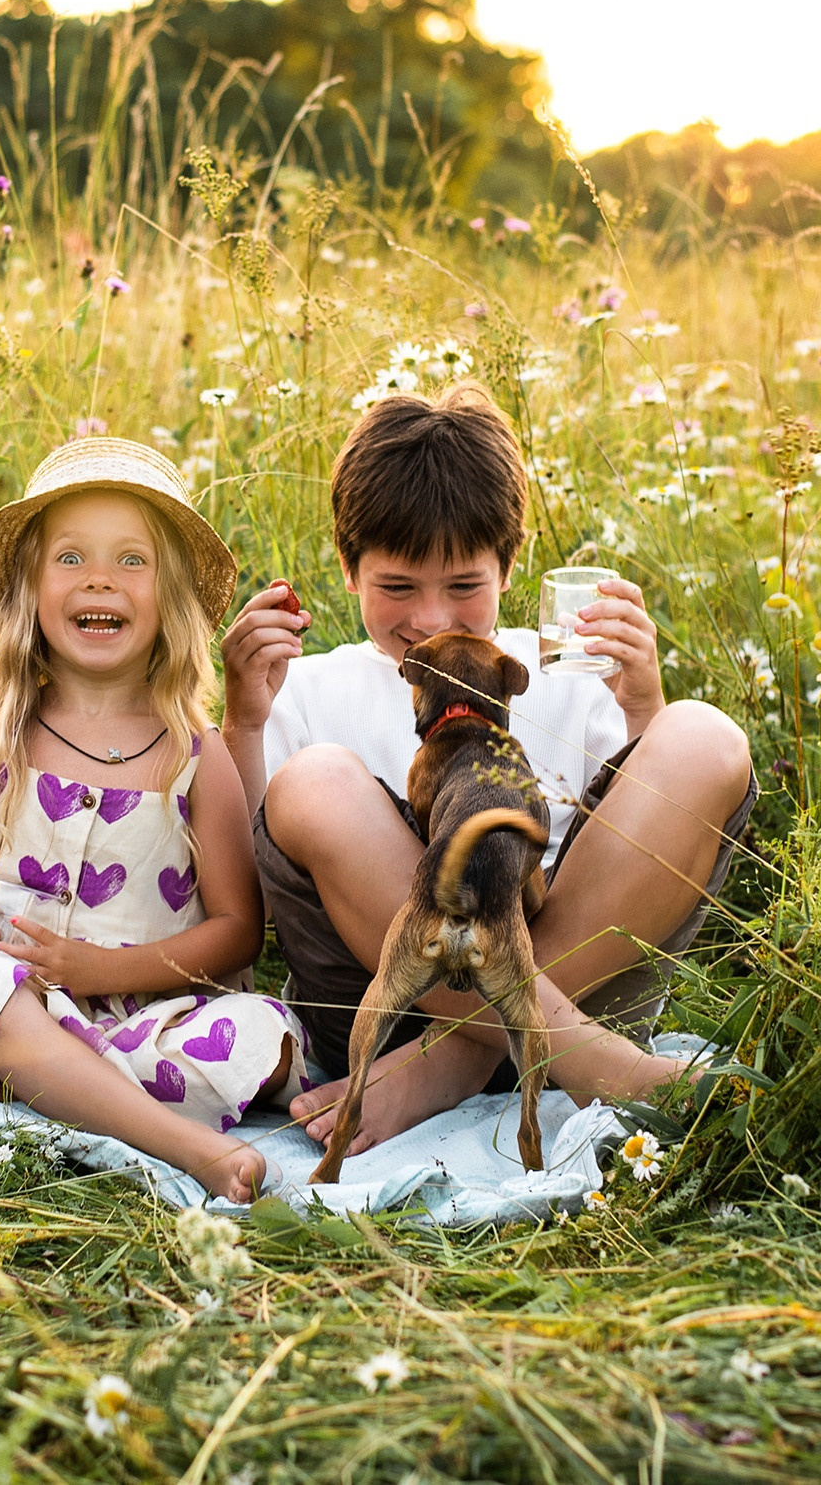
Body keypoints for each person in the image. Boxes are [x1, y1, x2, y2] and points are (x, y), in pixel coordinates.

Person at [220, 381, 758, 1162]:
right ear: (348, 568)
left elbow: (640, 849)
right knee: (314, 781)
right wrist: (244, 721)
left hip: (581, 987)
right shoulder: (306, 688)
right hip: (390, 1003)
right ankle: (584, 1059)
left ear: (508, 566)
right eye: (398, 587)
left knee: (706, 737)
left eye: (464, 586)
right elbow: (240, 886)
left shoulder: (565, 669)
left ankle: (460, 1056)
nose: (432, 618)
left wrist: (644, 704)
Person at [0, 438, 306, 1202]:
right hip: (19, 1003)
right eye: (70, 557)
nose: (99, 577)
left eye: (131, 560)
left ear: (170, 598)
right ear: (31, 591)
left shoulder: (193, 755)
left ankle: (15, 1089)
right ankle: (187, 1146)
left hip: (149, 1023)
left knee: (262, 1036)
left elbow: (239, 930)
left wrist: (99, 971)